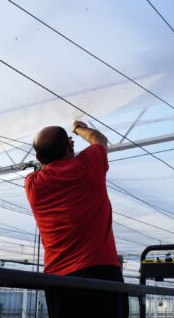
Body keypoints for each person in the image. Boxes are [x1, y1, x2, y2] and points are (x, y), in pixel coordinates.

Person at [25, 121, 129, 318]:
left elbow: (47, 165)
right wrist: (78, 129)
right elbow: (99, 140)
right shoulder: (88, 165)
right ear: (70, 146)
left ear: (39, 158)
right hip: (100, 273)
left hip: (58, 281)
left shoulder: (32, 185)